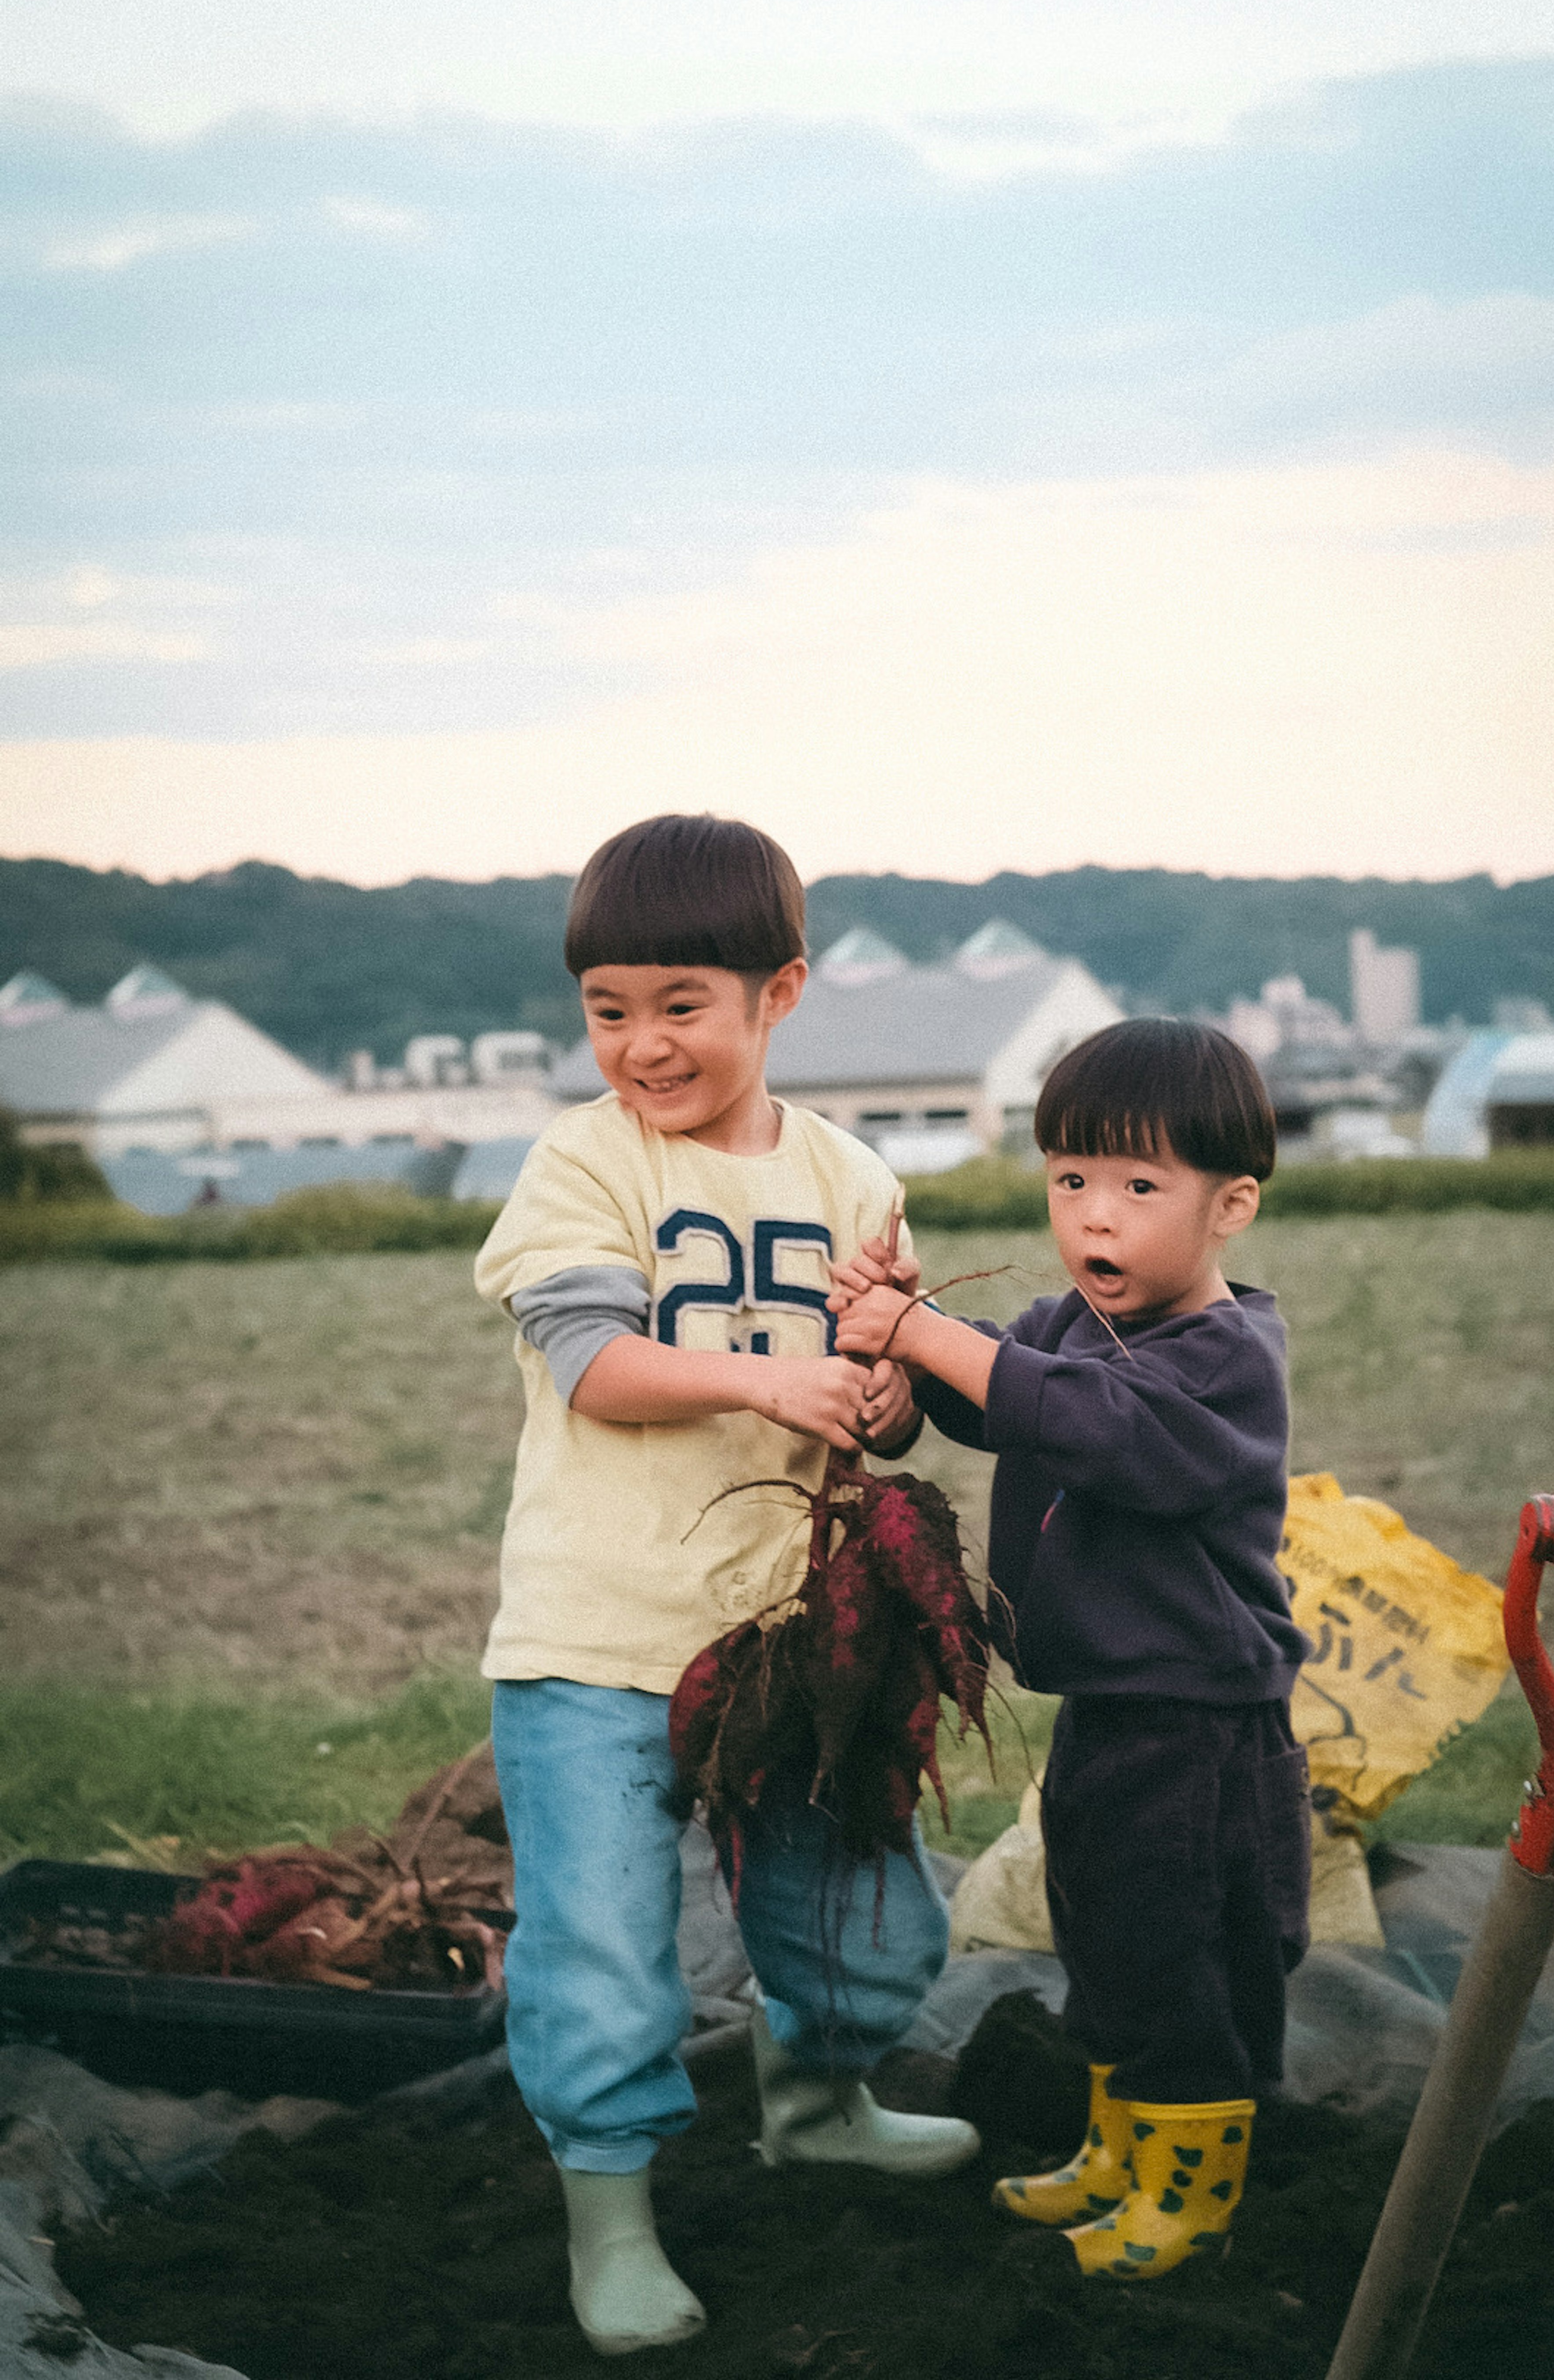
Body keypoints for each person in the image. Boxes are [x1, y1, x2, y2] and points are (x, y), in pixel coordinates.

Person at [475, 813, 978, 2360]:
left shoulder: (853, 1174)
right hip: (599, 1637)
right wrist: (772, 1386)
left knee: (875, 1937)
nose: (640, 1044)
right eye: (607, 1007)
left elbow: (883, 1383)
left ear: (783, 994)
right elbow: (594, 1365)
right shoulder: (586, 1161)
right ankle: (610, 2230)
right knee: (607, 1957)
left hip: (794, 1642)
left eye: (680, 1004)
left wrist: (881, 1400)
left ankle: (817, 2103)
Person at [830, 1017, 1310, 2281]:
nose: (1097, 1216)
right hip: (1112, 1701)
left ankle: (1191, 2189)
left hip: (1201, 1723)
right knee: (1098, 1928)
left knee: (1181, 1948)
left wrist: (930, 1336)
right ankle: (1120, 2148)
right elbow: (986, 1399)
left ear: (1231, 1206)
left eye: (1140, 1187)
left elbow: (1099, 1429)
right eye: (1071, 1182)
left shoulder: (1225, 1358)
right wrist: (895, 1362)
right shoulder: (1062, 1328)